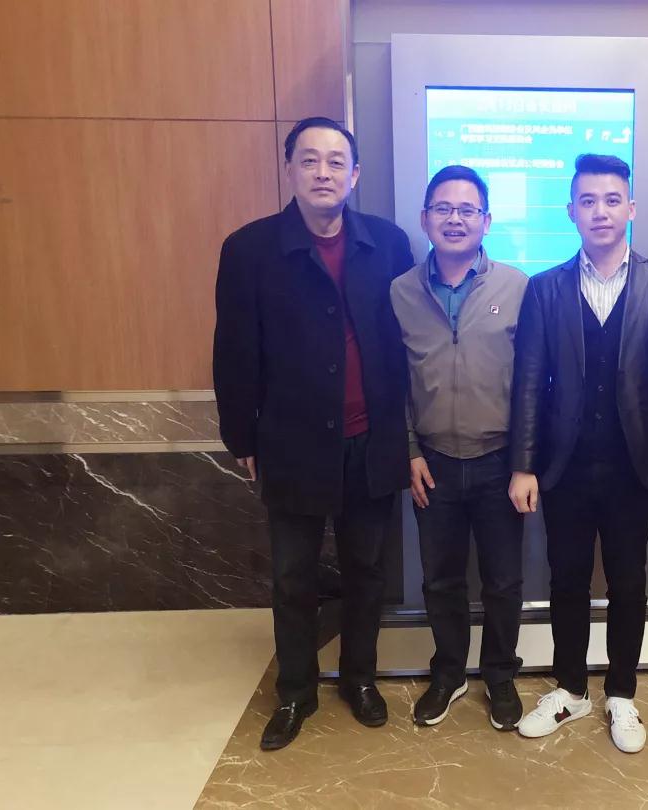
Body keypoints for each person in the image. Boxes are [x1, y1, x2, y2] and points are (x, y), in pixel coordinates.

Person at [213, 117, 414, 751]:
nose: (323, 172)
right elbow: (234, 350)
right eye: (309, 160)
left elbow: (407, 344)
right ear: (290, 170)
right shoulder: (249, 249)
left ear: (354, 175)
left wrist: (408, 437)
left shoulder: (389, 243)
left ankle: (359, 679)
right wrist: (242, 438)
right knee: (292, 576)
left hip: (371, 439)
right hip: (292, 442)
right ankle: (296, 691)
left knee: (366, 570)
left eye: (335, 162)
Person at [508, 154, 648, 753]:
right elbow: (528, 380)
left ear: (630, 208)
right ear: (570, 211)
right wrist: (524, 464)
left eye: (612, 199)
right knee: (565, 578)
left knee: (628, 581)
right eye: (588, 201)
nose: (600, 211)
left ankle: (621, 693)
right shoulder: (545, 288)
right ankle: (570, 688)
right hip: (563, 465)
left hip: (634, 464)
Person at [390, 165, 529, 730]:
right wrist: (410, 451)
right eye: (443, 209)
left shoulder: (518, 287)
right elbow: (394, 382)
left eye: (467, 210)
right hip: (434, 464)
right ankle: (448, 673)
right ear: (425, 218)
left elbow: (534, 382)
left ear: (486, 221)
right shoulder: (401, 291)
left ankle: (499, 674)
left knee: (503, 581)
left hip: (500, 462)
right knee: (441, 580)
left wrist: (524, 462)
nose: (455, 219)